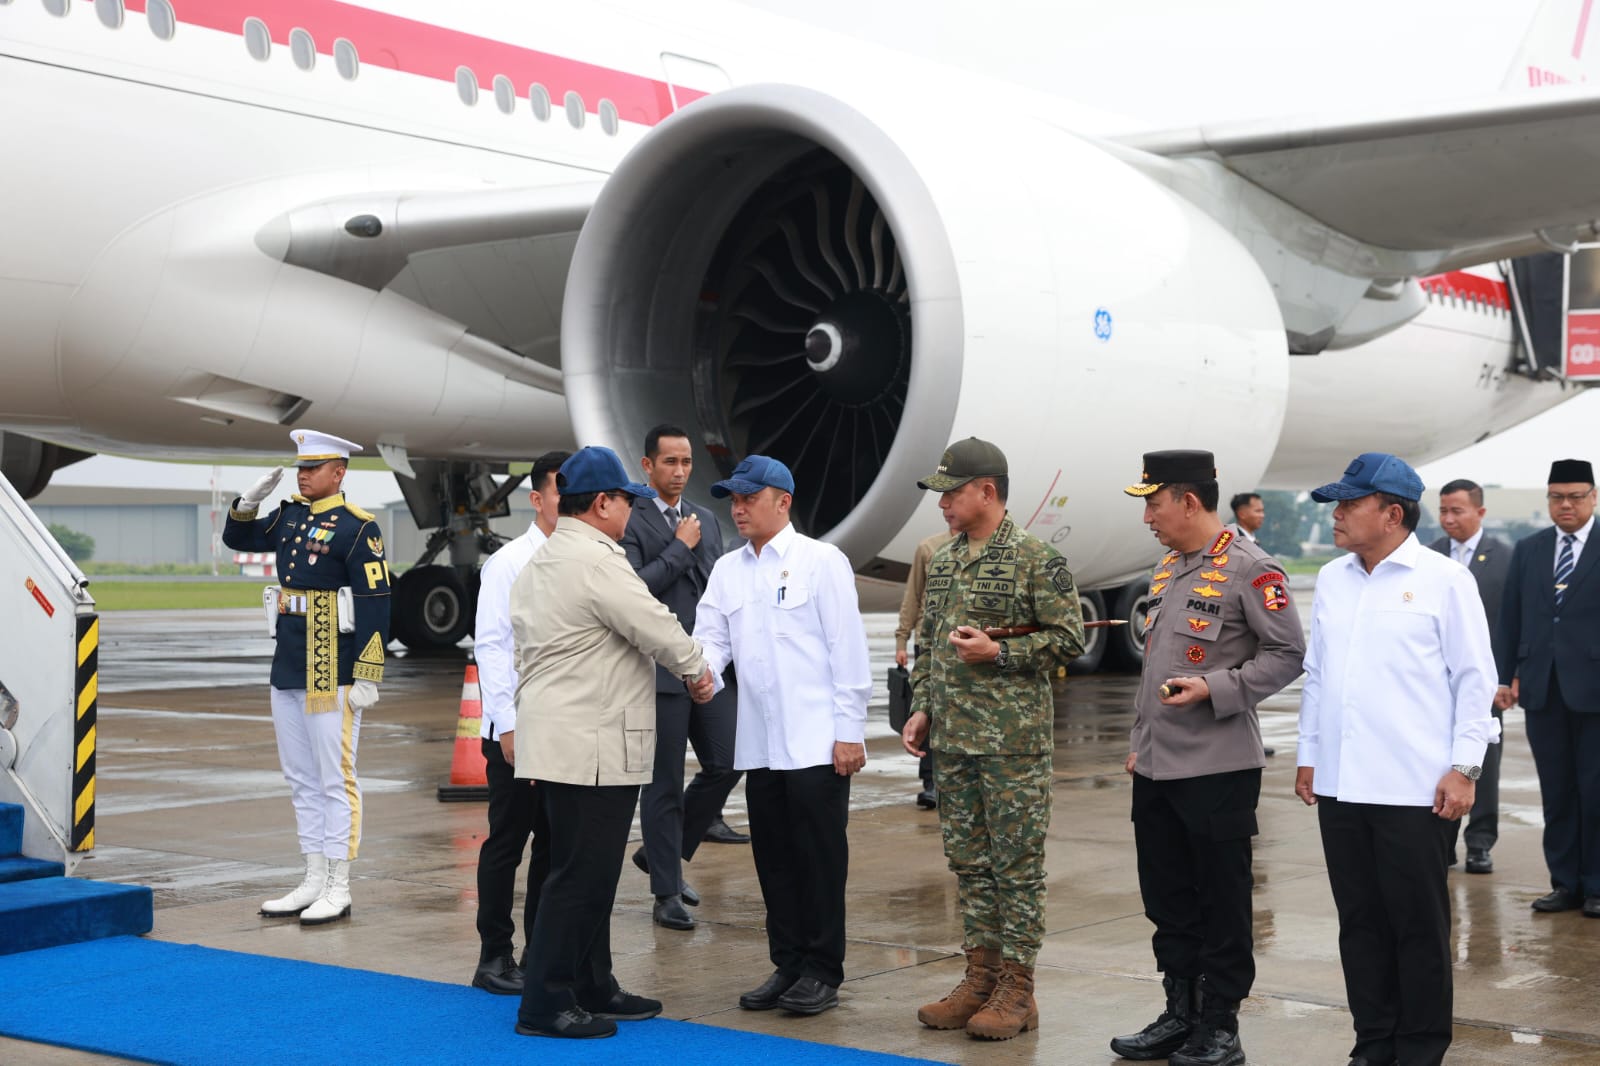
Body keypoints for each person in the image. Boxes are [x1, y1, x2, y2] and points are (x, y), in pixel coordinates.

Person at [1295, 452, 1497, 1066]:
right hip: (1340, 786)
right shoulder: (1333, 579)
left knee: (1417, 927)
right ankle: (1374, 1041)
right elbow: (1317, 674)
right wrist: (1309, 754)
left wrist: (1465, 768)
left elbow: (1474, 679)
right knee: (1359, 923)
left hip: (1415, 788)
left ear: (1392, 514)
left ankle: (1419, 1048)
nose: (1337, 515)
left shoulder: (1445, 579)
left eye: (1349, 504)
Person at [509, 446, 715, 1040]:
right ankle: (546, 1003)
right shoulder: (598, 561)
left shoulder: (545, 559)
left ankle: (592, 983)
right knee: (581, 878)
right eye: (627, 499)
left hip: (562, 741)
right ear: (602, 503)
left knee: (581, 871)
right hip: (592, 745)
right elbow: (652, 623)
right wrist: (697, 669)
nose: (632, 510)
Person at [1111, 451, 1305, 1066]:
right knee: (1167, 898)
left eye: (1153, 504)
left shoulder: (1251, 568)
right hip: (1157, 766)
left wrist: (1215, 688)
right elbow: (1155, 668)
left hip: (1218, 768)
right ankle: (1181, 1015)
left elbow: (1287, 654)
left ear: (1188, 501)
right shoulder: (1168, 568)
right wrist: (1139, 743)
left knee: (1221, 901)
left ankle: (1220, 1025)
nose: (1148, 518)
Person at [900, 437, 1085, 1041]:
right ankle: (980, 979)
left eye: (950, 493)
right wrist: (922, 707)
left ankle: (1018, 990)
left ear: (987, 491)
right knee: (970, 866)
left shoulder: (1036, 559)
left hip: (1012, 746)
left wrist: (999, 653)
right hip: (954, 742)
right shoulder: (943, 560)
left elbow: (1069, 639)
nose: (942, 504)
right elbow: (929, 641)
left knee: (1016, 869)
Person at [694, 455, 872, 1018]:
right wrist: (701, 673)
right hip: (761, 744)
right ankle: (789, 962)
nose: (738, 508)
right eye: (733, 500)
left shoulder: (821, 561)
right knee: (773, 860)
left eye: (749, 498)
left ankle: (822, 970)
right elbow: (711, 638)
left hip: (817, 741)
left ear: (783, 501)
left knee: (819, 859)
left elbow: (847, 650)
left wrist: (850, 732)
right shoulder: (728, 570)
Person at [222, 429, 390, 926]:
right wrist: (248, 503)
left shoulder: (358, 528)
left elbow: (376, 602)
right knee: (300, 779)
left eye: (313, 468)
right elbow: (238, 539)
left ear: (339, 472)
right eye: (301, 467)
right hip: (290, 661)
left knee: (335, 779)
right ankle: (313, 877)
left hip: (331, 664)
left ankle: (339, 884)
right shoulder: (290, 516)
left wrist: (368, 673)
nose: (303, 475)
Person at [621, 424, 742, 931]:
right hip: (659, 671)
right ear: (648, 465)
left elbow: (715, 589)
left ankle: (661, 853)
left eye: (686, 462)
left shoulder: (705, 519)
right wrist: (677, 547)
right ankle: (666, 892)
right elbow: (632, 591)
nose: (680, 471)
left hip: (706, 664)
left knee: (729, 760)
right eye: (670, 462)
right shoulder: (631, 519)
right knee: (664, 783)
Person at [469, 449, 567, 995]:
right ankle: (494, 956)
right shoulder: (508, 563)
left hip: (561, 731)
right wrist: (507, 726)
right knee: (508, 844)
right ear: (537, 499)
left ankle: (538, 953)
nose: (570, 502)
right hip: (517, 732)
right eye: (560, 492)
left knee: (553, 846)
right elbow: (491, 646)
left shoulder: (582, 557)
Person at [1495, 458, 1600, 915]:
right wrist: (1504, 676)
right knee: (1556, 792)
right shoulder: (1530, 549)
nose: (1566, 505)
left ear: (1593, 497)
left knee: (1595, 792)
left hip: (1595, 690)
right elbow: (1510, 617)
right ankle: (1565, 883)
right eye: (1557, 497)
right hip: (1543, 690)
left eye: (1575, 497)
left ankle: (1596, 886)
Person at [1430, 478, 1510, 875]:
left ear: (1480, 512)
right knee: (1439, 762)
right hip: (1436, 684)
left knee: (1483, 765)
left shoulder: (1506, 557)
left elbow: (1513, 622)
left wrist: (1507, 678)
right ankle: (1442, 842)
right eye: (1443, 510)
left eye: (1457, 511)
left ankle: (1480, 842)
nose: (1448, 518)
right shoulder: (1429, 555)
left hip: (1485, 684)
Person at [894, 529, 955, 809]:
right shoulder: (929, 547)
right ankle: (931, 782)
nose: (947, 509)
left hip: (967, 642)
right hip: (929, 642)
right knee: (927, 710)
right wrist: (902, 640)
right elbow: (913, 595)